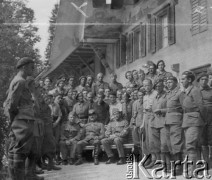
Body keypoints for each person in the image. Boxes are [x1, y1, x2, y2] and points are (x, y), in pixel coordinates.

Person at [4, 57, 44, 180]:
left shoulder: (20, 80)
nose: (34, 69)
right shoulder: (20, 81)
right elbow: (11, 104)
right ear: (24, 67)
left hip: (25, 120)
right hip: (22, 121)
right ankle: (17, 178)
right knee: (19, 152)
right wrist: (14, 119)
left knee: (27, 150)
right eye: (32, 67)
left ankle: (27, 175)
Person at [157, 76, 184, 175]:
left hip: (176, 121)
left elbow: (183, 108)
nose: (168, 84)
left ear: (176, 83)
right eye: (167, 82)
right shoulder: (169, 94)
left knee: (176, 143)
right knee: (170, 144)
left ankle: (179, 168)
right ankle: (173, 166)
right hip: (167, 121)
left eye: (170, 82)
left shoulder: (180, 93)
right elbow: (169, 109)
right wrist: (161, 110)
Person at [181, 71, 205, 178]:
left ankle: (192, 171)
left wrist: (204, 119)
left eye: (183, 79)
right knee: (192, 146)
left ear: (189, 80)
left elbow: (201, 106)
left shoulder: (195, 90)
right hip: (188, 121)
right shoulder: (186, 91)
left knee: (191, 146)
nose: (181, 81)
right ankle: (196, 170)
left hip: (194, 120)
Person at [150, 79, 170, 172]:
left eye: (160, 86)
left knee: (164, 145)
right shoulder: (155, 97)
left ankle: (168, 165)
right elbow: (152, 110)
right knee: (156, 145)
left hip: (164, 122)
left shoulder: (167, 96)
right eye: (156, 86)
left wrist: (161, 110)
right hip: (154, 123)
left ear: (163, 86)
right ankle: (161, 164)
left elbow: (171, 109)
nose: (158, 88)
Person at [197, 73, 212, 169]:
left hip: (211, 117)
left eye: (206, 79)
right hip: (200, 118)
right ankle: (206, 162)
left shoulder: (211, 90)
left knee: (211, 139)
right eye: (202, 79)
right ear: (199, 80)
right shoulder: (196, 91)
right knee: (202, 141)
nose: (204, 81)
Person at [141, 78, 157, 168]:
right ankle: (150, 158)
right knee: (146, 140)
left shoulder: (155, 94)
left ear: (151, 85)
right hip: (146, 117)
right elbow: (144, 111)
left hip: (153, 117)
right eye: (144, 85)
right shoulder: (145, 96)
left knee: (152, 140)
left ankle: (154, 160)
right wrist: (143, 123)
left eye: (147, 85)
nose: (146, 87)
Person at [130, 90, 144, 155]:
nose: (140, 97)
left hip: (144, 123)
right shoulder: (135, 103)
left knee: (144, 141)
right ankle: (139, 156)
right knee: (136, 141)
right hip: (137, 123)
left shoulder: (146, 102)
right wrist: (133, 123)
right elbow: (134, 114)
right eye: (139, 95)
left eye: (142, 95)